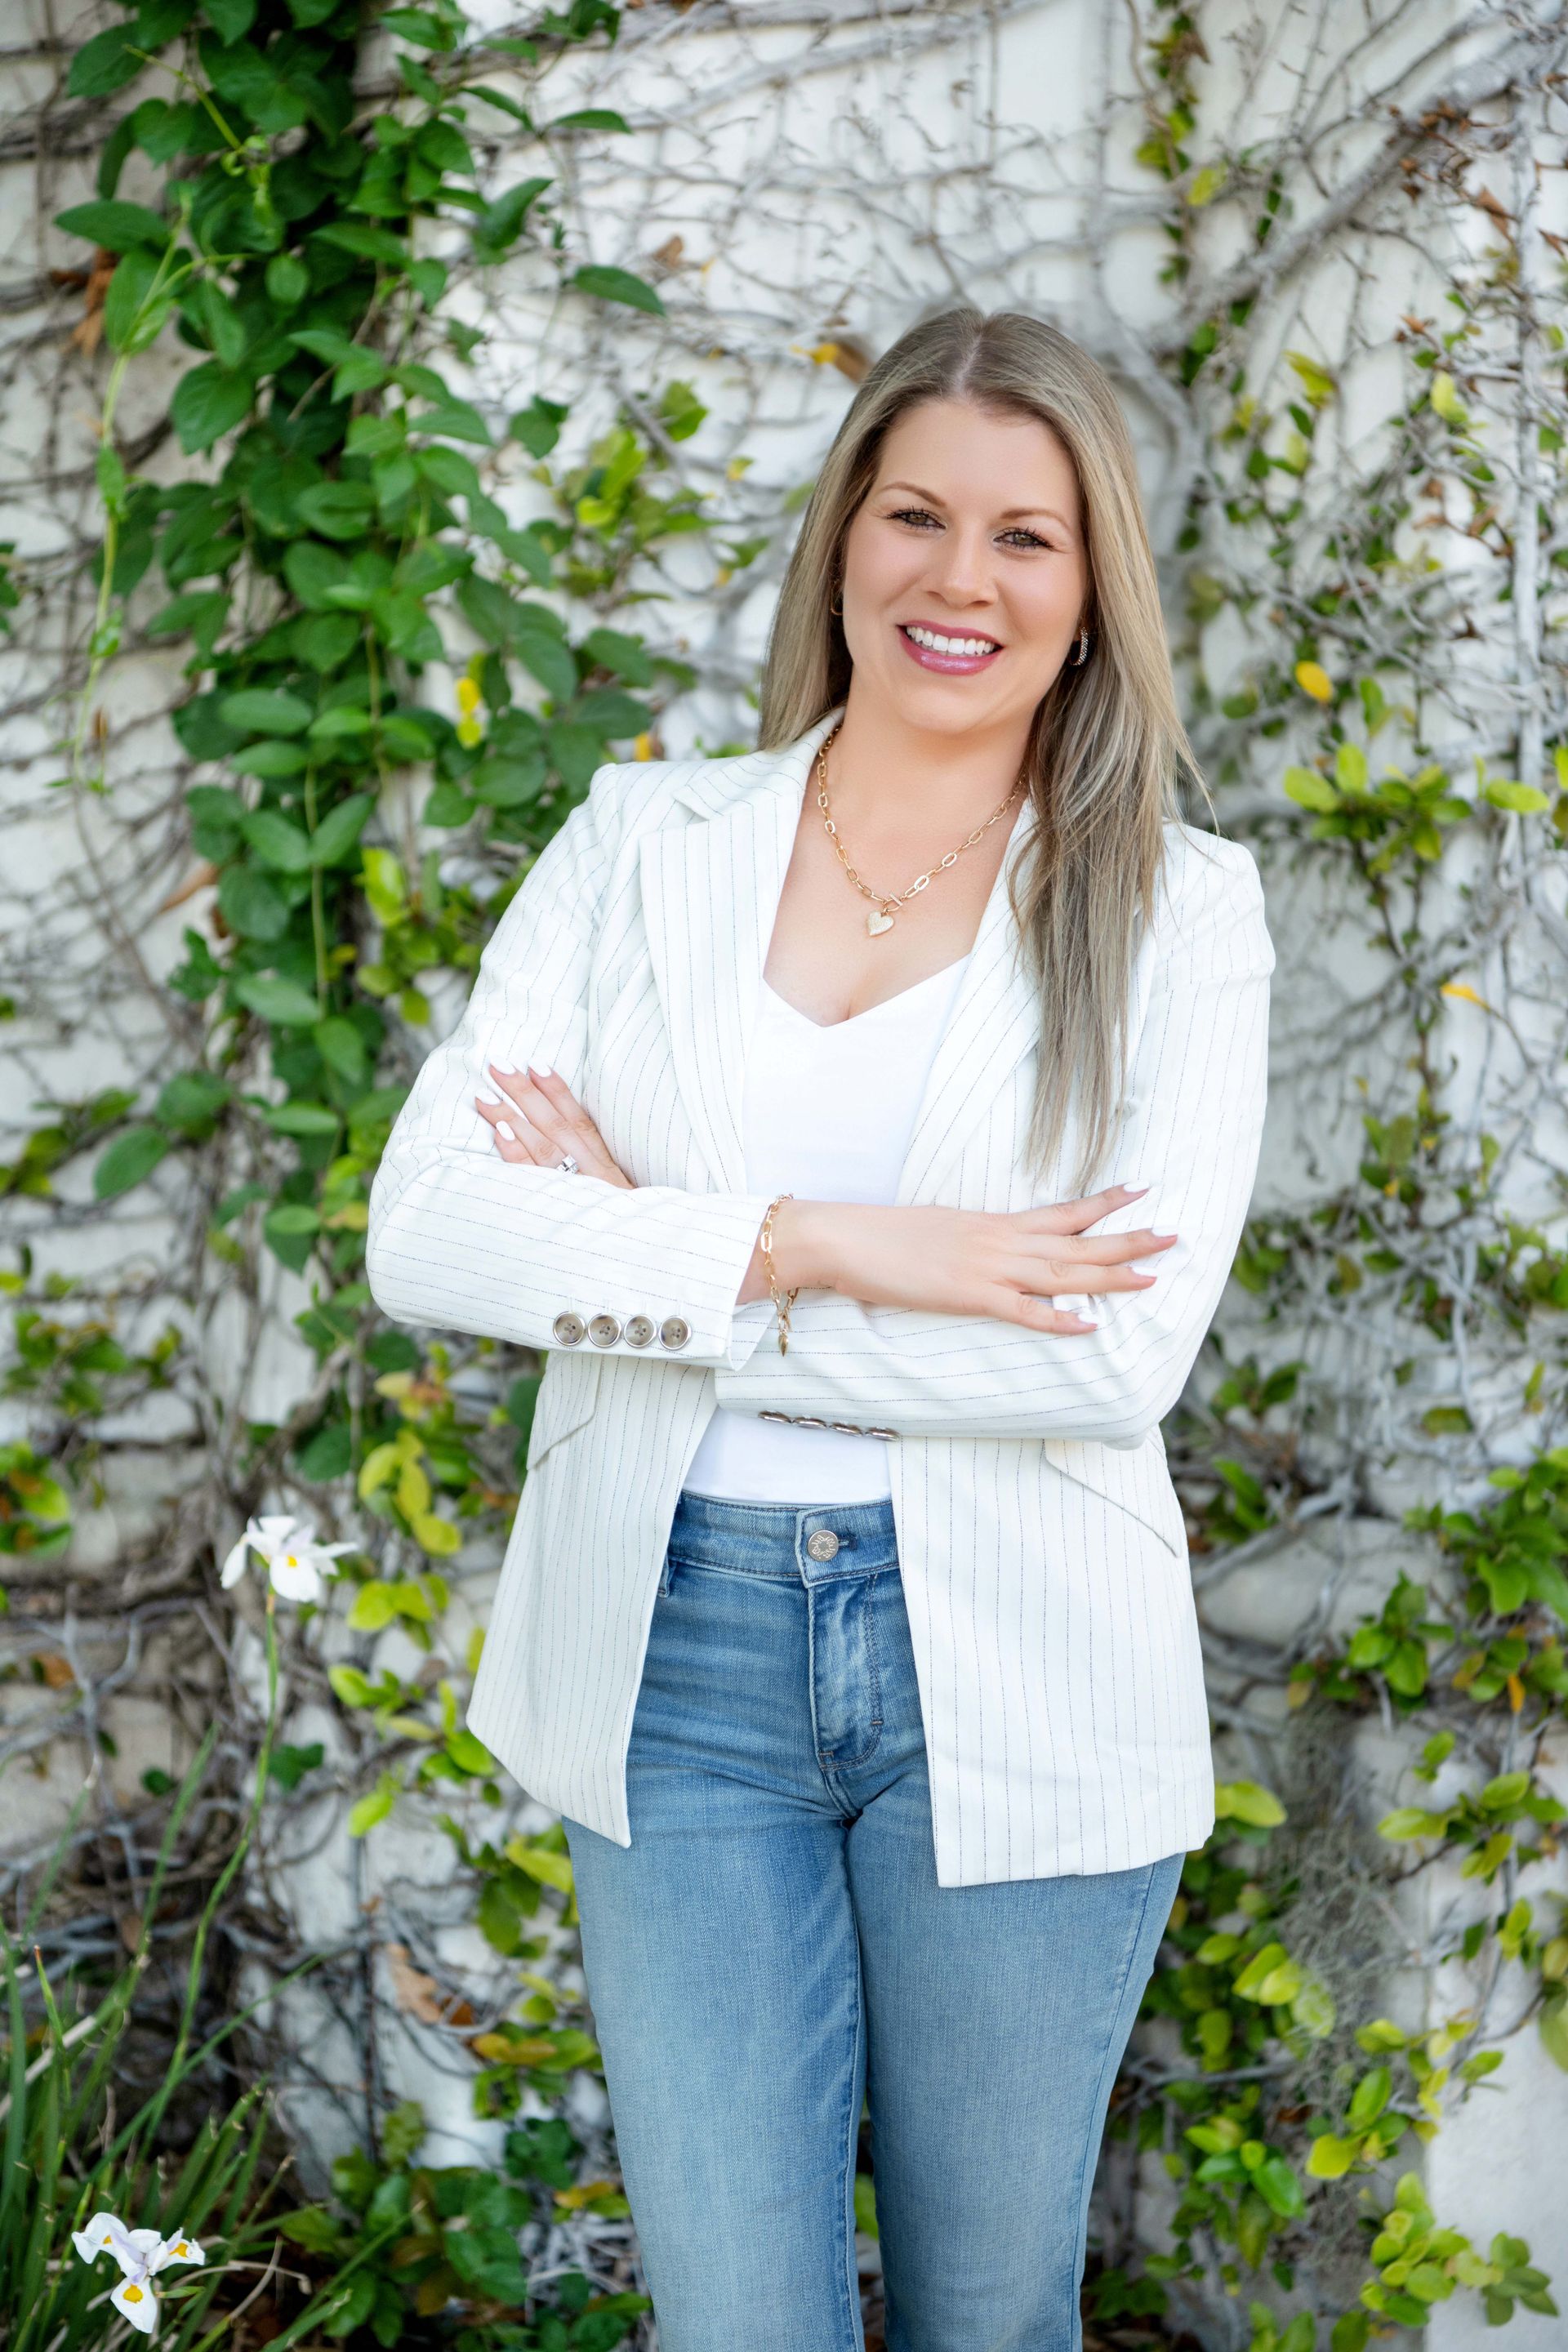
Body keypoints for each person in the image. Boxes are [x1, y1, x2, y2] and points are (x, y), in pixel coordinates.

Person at [365, 303, 1275, 2352]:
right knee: (736, 2320)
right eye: (919, 517)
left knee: (986, 2307)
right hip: (675, 1649)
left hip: (1016, 1664)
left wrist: (654, 1269)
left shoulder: (1178, 909)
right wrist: (814, 1239)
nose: (962, 580)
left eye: (1026, 539)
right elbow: (431, 1224)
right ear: (844, 541)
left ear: (1088, 584)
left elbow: (1107, 1360)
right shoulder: (640, 845)